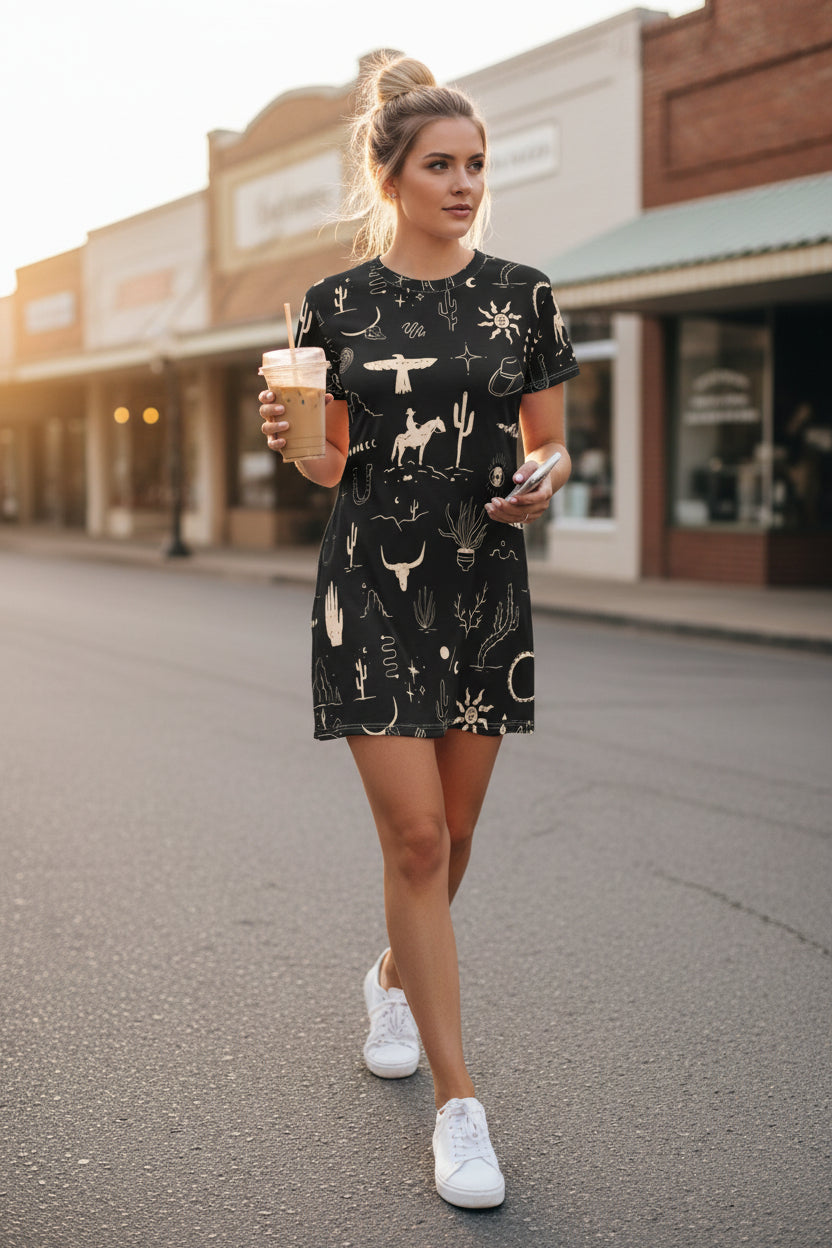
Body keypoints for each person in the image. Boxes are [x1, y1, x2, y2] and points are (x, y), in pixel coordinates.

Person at [259, 53, 578, 1210]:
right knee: (416, 842)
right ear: (389, 176)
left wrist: (538, 483)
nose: (463, 183)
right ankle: (459, 1105)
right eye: (440, 165)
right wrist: (290, 440)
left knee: (456, 829)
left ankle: (393, 974)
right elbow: (326, 463)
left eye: (476, 165)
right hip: (373, 585)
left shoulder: (527, 294)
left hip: (485, 579)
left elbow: (549, 443)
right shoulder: (334, 309)